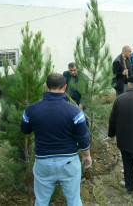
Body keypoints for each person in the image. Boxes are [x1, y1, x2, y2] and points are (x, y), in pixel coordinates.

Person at [20, 73, 91, 206]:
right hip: (69, 162)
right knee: (74, 200)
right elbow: (83, 138)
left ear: (46, 86)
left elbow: (25, 130)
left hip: (43, 162)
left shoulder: (30, 110)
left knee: (41, 201)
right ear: (65, 87)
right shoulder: (75, 112)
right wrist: (87, 156)